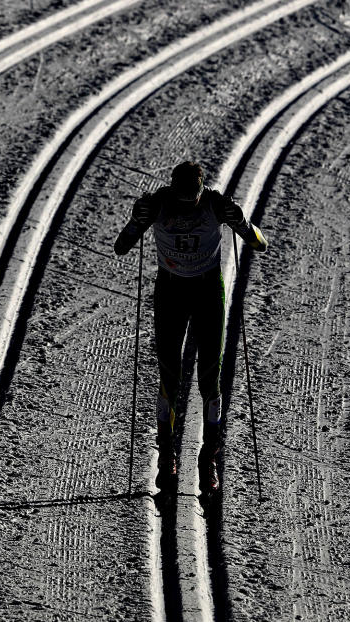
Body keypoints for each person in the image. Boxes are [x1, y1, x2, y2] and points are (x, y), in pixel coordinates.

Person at [113, 161, 267, 493]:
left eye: (192, 199)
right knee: (169, 373)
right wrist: (137, 219)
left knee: (210, 377)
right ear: (172, 190)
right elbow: (121, 245)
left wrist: (238, 218)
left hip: (207, 290)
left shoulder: (214, 204)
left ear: (200, 191)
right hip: (171, 291)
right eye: (181, 199)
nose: (186, 205)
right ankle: (167, 455)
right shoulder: (156, 204)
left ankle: (207, 457)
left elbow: (259, 243)